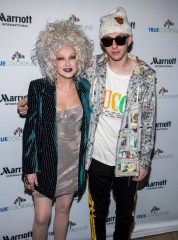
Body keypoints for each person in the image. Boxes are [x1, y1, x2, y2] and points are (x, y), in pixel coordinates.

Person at [18, 7, 156, 240]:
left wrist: (144, 159)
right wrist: (28, 105)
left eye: (120, 39)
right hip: (73, 161)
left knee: (114, 214)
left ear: (129, 40)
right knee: (65, 215)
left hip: (104, 161)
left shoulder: (136, 77)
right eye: (108, 40)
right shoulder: (78, 75)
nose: (115, 45)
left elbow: (148, 120)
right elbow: (35, 124)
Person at [21, 20, 92, 240]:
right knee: (42, 217)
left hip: (72, 163)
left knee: (63, 211)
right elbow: (30, 131)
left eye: (72, 56)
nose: (67, 63)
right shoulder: (39, 88)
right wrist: (30, 168)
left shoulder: (85, 87)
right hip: (45, 163)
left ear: (79, 57)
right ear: (51, 60)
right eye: (60, 58)